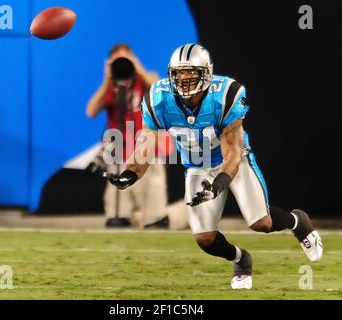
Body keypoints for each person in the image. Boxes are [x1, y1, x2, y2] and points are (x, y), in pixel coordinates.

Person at [103, 43, 323, 289]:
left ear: (207, 72)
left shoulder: (226, 94)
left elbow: (233, 152)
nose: (184, 79)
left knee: (261, 223)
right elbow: (145, 146)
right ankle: (241, 259)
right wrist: (130, 174)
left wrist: (219, 184)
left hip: (234, 161)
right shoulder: (158, 98)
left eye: (191, 73)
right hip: (196, 165)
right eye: (179, 73)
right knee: (205, 239)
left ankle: (297, 222)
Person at [86, 44, 169, 229]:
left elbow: (161, 90)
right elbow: (91, 111)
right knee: (117, 220)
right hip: (119, 155)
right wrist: (107, 80)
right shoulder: (110, 86)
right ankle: (135, 216)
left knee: (156, 221)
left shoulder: (144, 80)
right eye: (117, 61)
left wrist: (137, 68)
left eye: (126, 59)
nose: (122, 64)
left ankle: (175, 215)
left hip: (147, 153)